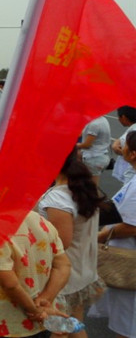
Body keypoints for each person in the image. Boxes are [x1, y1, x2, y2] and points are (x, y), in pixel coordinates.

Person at [0, 210, 71, 338]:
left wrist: (35, 311)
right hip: (41, 319)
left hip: (0, 321)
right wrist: (45, 300)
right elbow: (63, 265)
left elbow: (9, 284)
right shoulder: (40, 221)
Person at [37, 150, 107, 338]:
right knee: (74, 325)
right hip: (81, 270)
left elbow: (60, 244)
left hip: (63, 277)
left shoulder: (57, 198)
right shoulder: (82, 187)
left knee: (58, 330)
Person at [89, 130, 136, 338]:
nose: (121, 147)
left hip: (128, 263)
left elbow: (132, 226)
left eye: (125, 145)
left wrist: (100, 237)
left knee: (127, 319)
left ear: (132, 154)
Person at [76, 115, 112, 185]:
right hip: (100, 155)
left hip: (94, 159)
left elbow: (87, 145)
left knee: (92, 188)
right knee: (88, 185)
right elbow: (82, 133)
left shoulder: (94, 124)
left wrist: (75, 146)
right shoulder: (103, 119)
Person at [111, 106, 136, 184]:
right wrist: (115, 144)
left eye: (119, 117)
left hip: (131, 172)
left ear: (124, 117)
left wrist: (117, 149)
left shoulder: (134, 132)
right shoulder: (132, 129)